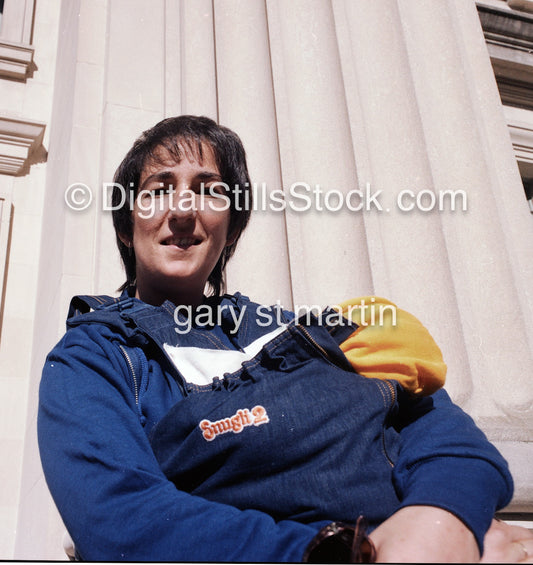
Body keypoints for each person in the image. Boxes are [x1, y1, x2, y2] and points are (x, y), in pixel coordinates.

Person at [38, 115, 533, 562]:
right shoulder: (93, 357)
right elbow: (120, 518)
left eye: (209, 189)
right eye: (159, 189)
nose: (183, 210)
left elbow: (439, 423)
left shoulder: (301, 330)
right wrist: (352, 554)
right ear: (127, 227)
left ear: (231, 228)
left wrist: (443, 517)